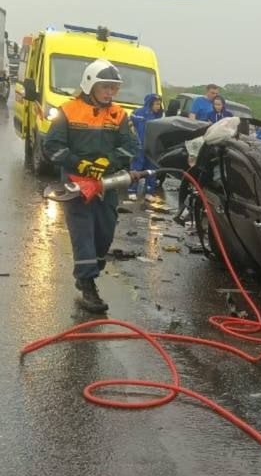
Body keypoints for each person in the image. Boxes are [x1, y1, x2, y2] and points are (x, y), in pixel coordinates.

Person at [42, 59, 141, 313]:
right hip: (76, 184)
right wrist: (81, 164)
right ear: (90, 85)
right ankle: (88, 286)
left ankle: (89, 272)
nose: (110, 93)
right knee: (83, 232)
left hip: (106, 184)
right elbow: (52, 146)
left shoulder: (119, 115)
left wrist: (108, 161)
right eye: (105, 87)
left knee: (104, 233)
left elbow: (131, 147)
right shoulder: (68, 111)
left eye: (113, 88)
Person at [129, 92, 167, 207]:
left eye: (159, 104)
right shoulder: (138, 113)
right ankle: (132, 191)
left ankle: (149, 192)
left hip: (152, 147)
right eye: (156, 104)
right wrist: (134, 139)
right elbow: (130, 125)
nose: (158, 106)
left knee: (152, 169)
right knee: (136, 167)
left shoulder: (160, 115)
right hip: (140, 146)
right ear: (150, 103)